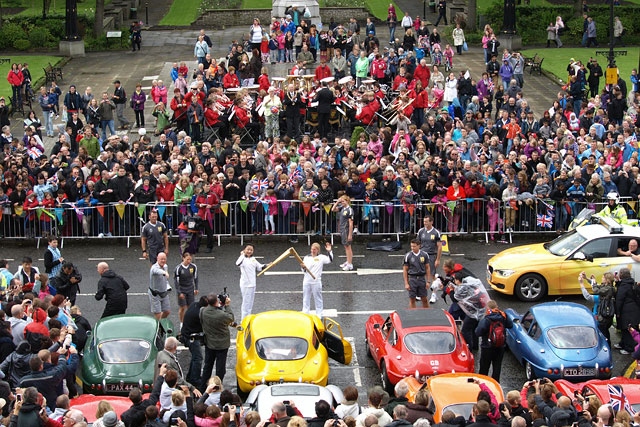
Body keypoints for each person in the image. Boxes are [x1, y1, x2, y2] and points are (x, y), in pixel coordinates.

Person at [200, 292, 235, 388]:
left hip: (209, 344)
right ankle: (217, 387)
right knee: (220, 369)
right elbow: (230, 318)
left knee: (207, 366)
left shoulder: (203, 311)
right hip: (222, 345)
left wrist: (219, 307)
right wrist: (227, 306)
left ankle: (203, 387)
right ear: (217, 301)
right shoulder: (222, 315)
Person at [474, 300, 512, 381]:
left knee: (484, 368)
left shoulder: (486, 319)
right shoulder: (503, 316)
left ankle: (483, 384)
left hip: (487, 347)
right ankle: (496, 385)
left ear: (488, 308)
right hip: (500, 346)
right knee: (497, 368)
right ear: (496, 307)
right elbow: (510, 325)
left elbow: (478, 332)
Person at [578, 271, 615, 345]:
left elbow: (589, 295)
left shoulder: (602, 295)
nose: (602, 278)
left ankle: (605, 347)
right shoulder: (607, 288)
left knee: (602, 334)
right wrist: (587, 279)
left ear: (607, 280)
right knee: (605, 332)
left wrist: (581, 284)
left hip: (602, 318)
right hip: (606, 318)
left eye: (603, 277)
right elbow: (597, 286)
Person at [236, 244, 268, 321]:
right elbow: (237, 263)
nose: (249, 251)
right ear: (244, 250)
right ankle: (243, 320)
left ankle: (248, 318)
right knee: (246, 304)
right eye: (248, 249)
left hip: (253, 284)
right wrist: (242, 255)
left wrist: (267, 265)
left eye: (251, 250)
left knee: (250, 303)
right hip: (246, 284)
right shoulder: (242, 259)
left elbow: (259, 267)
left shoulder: (253, 259)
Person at [301, 242, 333, 317]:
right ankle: (305, 312)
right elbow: (303, 270)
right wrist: (303, 268)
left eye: (314, 249)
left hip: (316, 281)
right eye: (312, 249)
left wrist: (329, 251)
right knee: (306, 297)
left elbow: (330, 260)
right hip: (307, 281)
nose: (312, 251)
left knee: (318, 298)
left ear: (318, 250)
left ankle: (319, 313)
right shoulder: (306, 258)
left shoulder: (321, 257)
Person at [181, 296, 208, 386]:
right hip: (191, 338)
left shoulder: (194, 305)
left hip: (186, 334)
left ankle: (191, 376)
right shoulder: (199, 314)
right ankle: (195, 379)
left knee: (194, 357)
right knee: (198, 358)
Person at [614, 268, 640, 354]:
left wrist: (617, 312)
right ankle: (623, 343)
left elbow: (619, 299)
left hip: (627, 311)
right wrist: (618, 282)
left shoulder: (624, 286)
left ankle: (629, 348)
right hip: (634, 310)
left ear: (621, 275)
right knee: (626, 328)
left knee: (626, 329)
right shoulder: (631, 283)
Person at [403, 239, 431, 308]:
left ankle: (427, 314)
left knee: (424, 299)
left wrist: (428, 281)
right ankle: (413, 316)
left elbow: (427, 268)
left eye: (414, 246)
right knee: (412, 299)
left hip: (421, 279)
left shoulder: (424, 255)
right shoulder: (408, 256)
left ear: (419, 246)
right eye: (411, 246)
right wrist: (406, 283)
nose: (412, 248)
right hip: (412, 279)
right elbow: (405, 270)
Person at [174, 252, 199, 324]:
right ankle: (181, 323)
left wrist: (196, 288)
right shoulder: (178, 268)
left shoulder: (193, 267)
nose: (189, 261)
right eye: (187, 259)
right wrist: (179, 292)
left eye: (190, 259)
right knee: (182, 307)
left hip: (190, 289)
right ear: (183, 258)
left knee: (190, 307)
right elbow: (176, 282)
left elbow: (196, 278)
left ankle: (189, 322)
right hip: (182, 289)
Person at [416, 215, 442, 284]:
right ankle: (421, 286)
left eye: (426, 222)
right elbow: (417, 244)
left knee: (432, 273)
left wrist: (438, 260)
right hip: (421, 255)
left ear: (431, 222)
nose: (425, 223)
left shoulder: (436, 232)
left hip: (431, 255)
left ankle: (438, 284)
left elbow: (439, 247)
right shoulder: (420, 231)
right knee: (420, 272)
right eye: (424, 222)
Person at [332, 195, 354, 271]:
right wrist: (337, 202)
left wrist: (350, 235)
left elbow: (351, 223)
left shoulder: (349, 210)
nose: (342, 203)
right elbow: (333, 209)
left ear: (347, 201)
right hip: (342, 229)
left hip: (346, 230)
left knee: (348, 247)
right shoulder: (342, 208)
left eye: (343, 201)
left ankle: (350, 264)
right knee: (345, 246)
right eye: (341, 202)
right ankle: (348, 261)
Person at [149, 252, 172, 320]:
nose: (163, 261)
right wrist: (164, 272)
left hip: (164, 293)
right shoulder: (154, 268)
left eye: (164, 259)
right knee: (158, 314)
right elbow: (157, 271)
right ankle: (158, 327)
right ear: (157, 259)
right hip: (155, 294)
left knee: (167, 311)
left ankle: (160, 323)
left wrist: (168, 286)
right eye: (161, 259)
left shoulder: (165, 266)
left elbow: (165, 279)